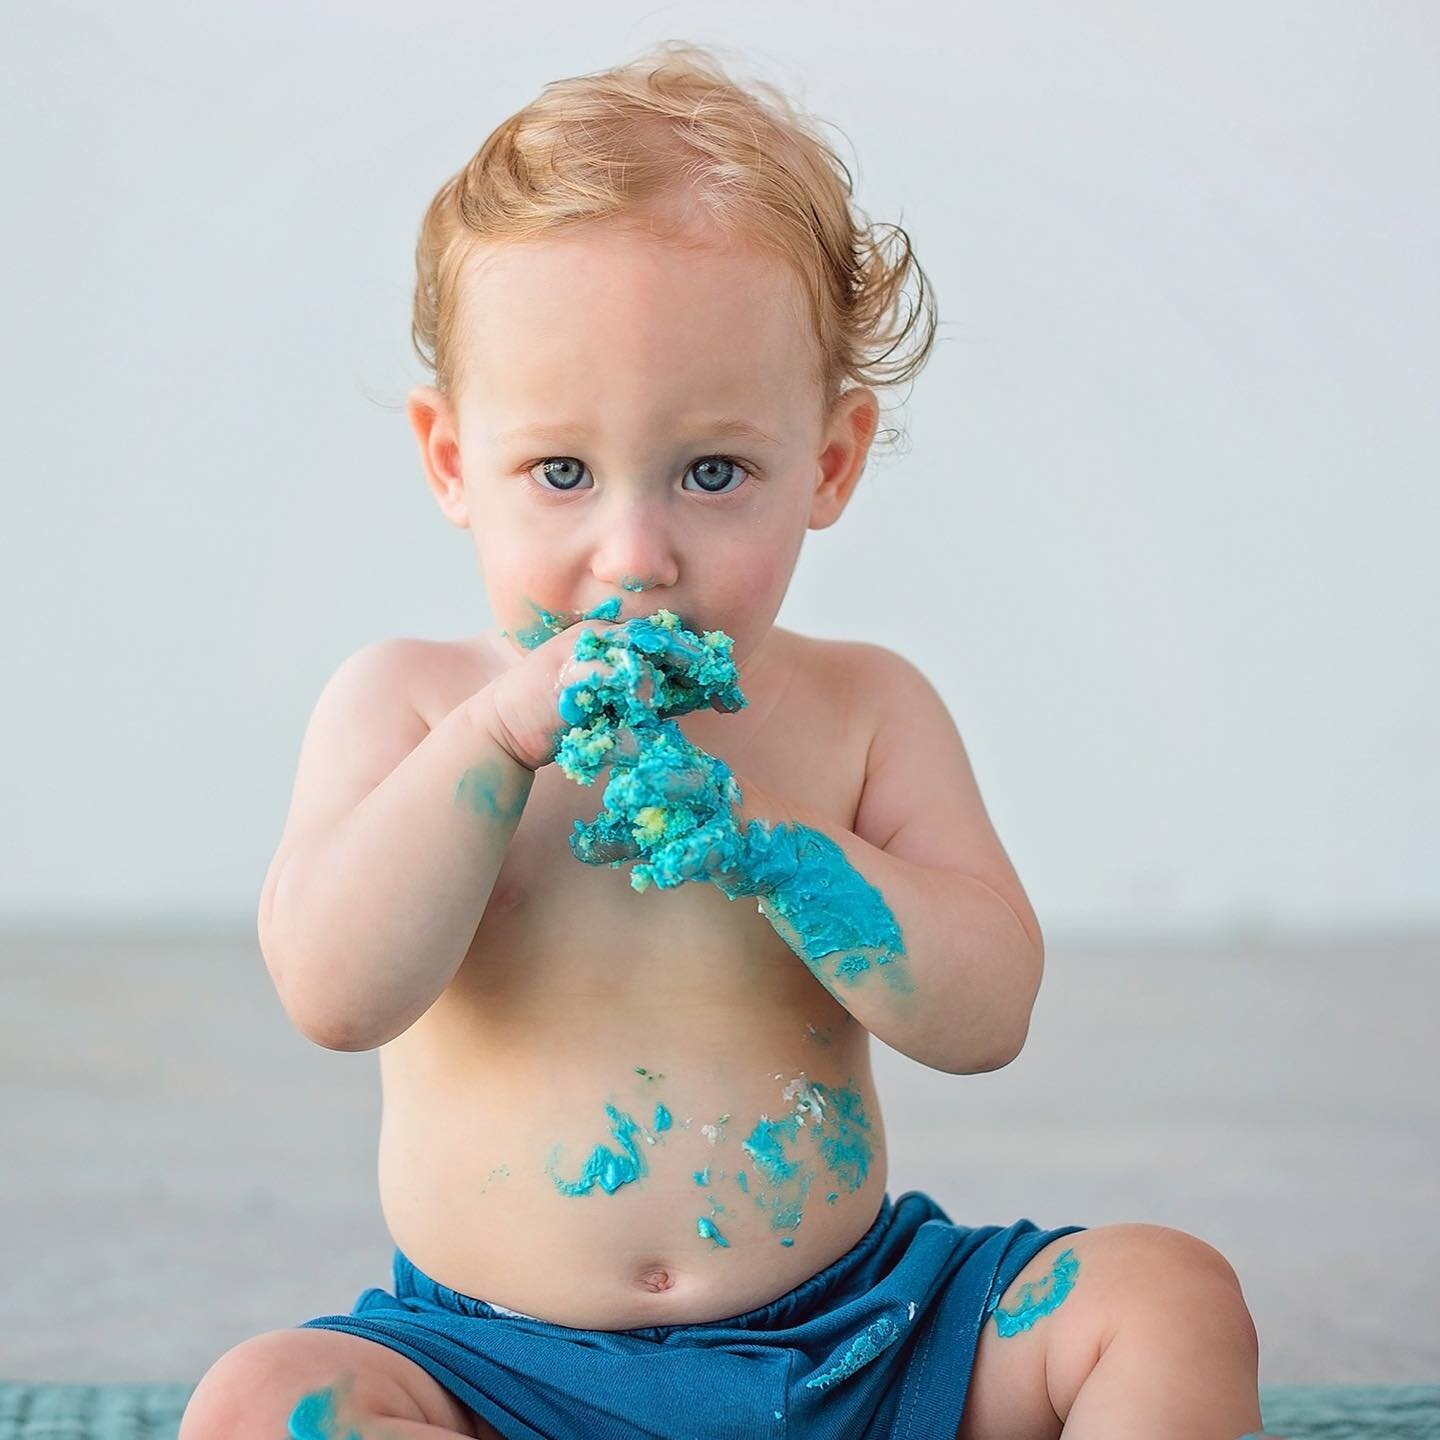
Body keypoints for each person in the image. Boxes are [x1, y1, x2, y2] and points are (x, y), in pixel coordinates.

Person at [179, 40, 1282, 1440]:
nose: (634, 555)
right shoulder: (407, 707)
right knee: (265, 1402)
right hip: (502, 1377)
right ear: (453, 460)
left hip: (867, 1342)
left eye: (714, 473)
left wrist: (783, 854)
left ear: (827, 464)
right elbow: (336, 994)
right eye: (562, 472)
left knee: (1166, 1295)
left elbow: (987, 1016)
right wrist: (495, 742)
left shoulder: (862, 710)